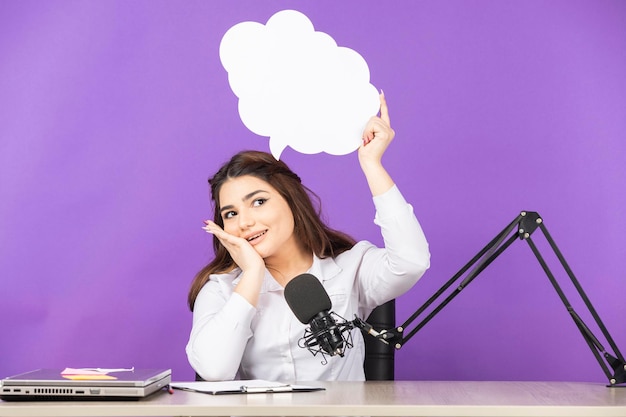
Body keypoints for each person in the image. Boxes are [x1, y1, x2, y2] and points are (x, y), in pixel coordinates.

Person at [186, 93, 430, 381]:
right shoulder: (221, 290)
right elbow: (213, 370)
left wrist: (371, 164)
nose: (245, 222)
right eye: (230, 214)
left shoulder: (350, 269)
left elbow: (411, 261)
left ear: (291, 201)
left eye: (259, 202)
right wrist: (252, 274)